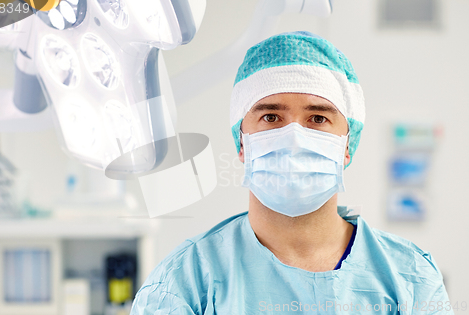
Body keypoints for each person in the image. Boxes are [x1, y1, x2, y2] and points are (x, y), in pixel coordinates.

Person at [130, 31, 453, 314]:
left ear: (347, 145)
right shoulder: (185, 283)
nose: (294, 138)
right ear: (242, 142)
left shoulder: (408, 277)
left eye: (317, 119)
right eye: (271, 117)